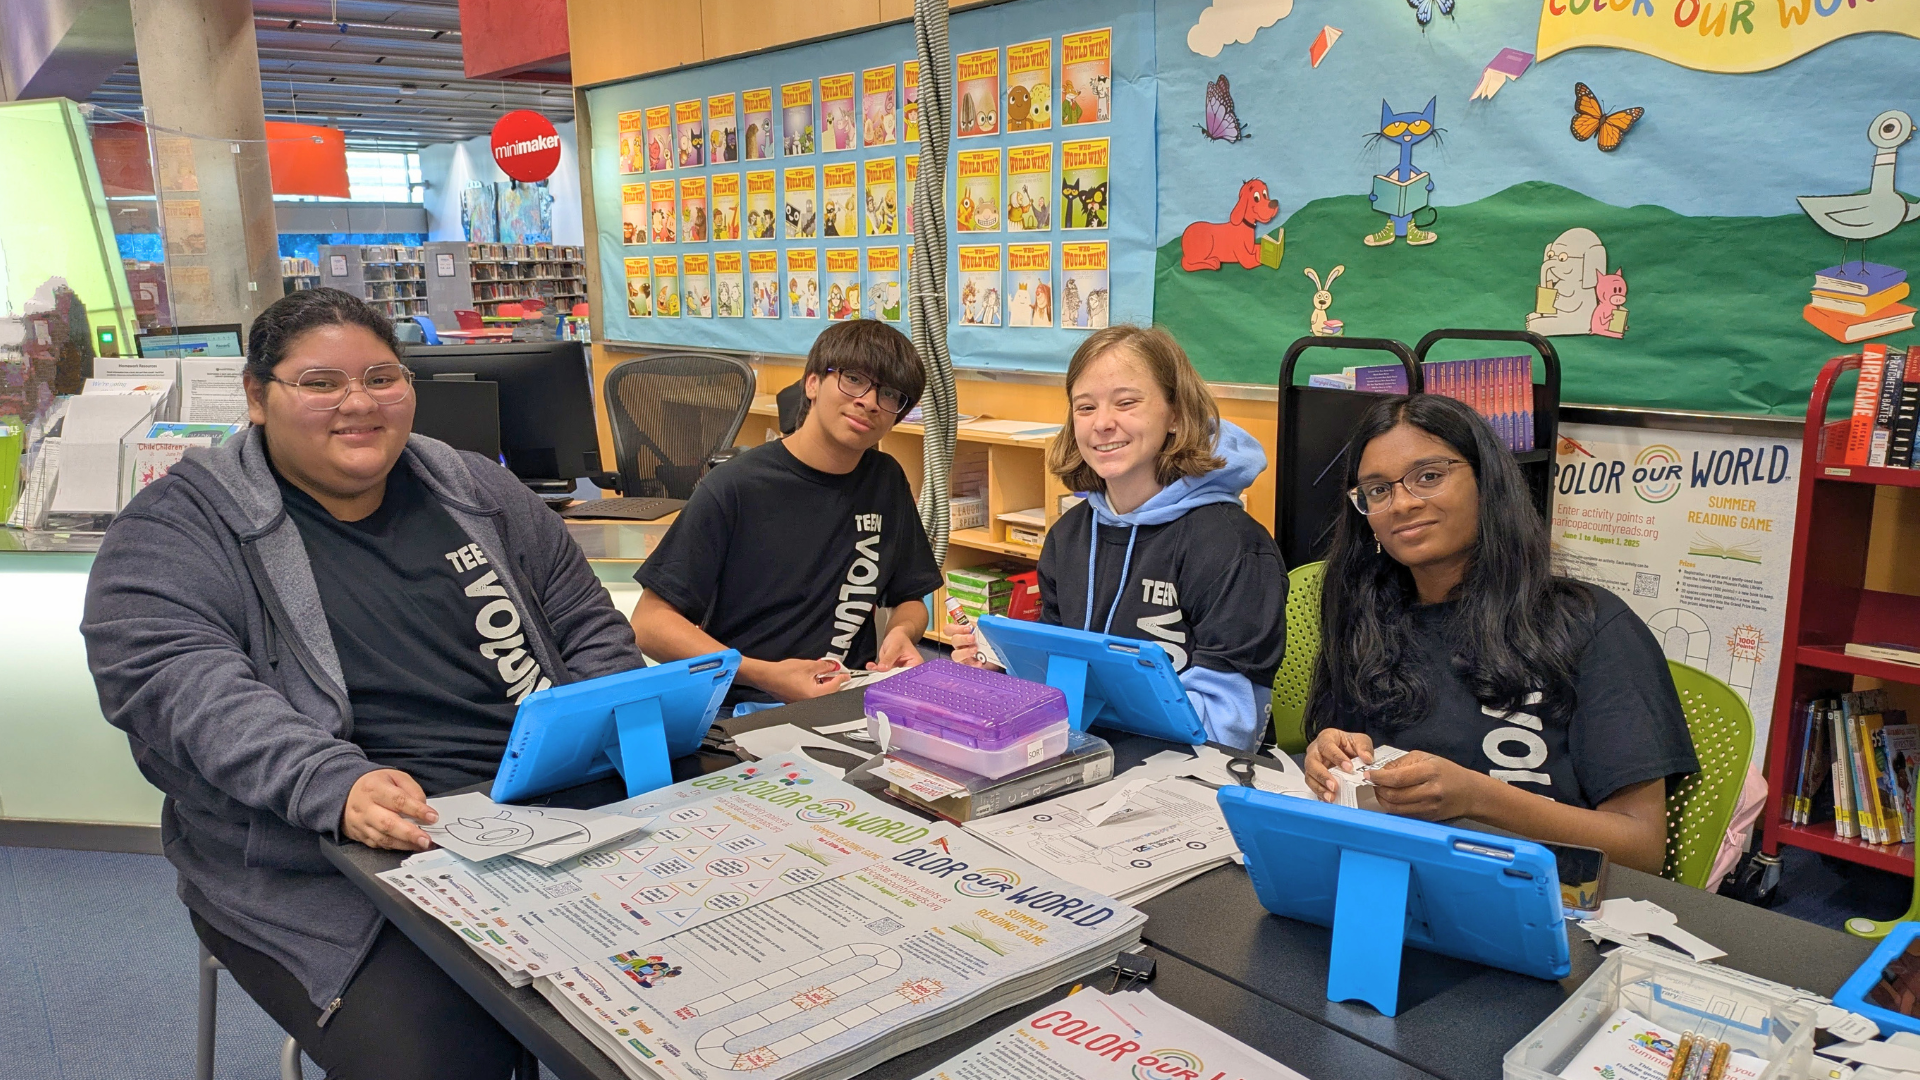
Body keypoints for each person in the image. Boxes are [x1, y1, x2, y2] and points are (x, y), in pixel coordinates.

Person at [81, 288, 643, 1079]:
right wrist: (331, 783)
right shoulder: (178, 525)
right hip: (333, 862)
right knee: (451, 1057)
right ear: (256, 396)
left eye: (383, 377)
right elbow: (177, 683)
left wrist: (598, 719)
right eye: (319, 383)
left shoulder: (474, 486)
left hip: (549, 810)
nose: (359, 403)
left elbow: (586, 620)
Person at [1302, 393, 1697, 874]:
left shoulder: (1588, 624)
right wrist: (1329, 752)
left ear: (1487, 484)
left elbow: (1641, 849)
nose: (1401, 503)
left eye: (1428, 477)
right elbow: (1351, 754)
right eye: (1378, 490)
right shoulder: (1364, 611)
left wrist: (1477, 798)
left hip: (1545, 896)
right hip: (1398, 877)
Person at [953, 325, 1286, 750]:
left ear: (1177, 415)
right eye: (1085, 407)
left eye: (1127, 403)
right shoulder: (1068, 536)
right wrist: (1004, 676)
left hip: (1191, 776)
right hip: (1083, 758)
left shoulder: (1231, 545)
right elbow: (1058, 680)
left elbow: (1231, 728)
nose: (1103, 424)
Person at [631, 319, 944, 710]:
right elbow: (649, 624)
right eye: (853, 379)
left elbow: (911, 597)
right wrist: (764, 674)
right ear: (812, 383)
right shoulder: (736, 486)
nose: (868, 401)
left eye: (890, 395)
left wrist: (902, 632)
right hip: (742, 707)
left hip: (848, 702)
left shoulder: (886, 481)